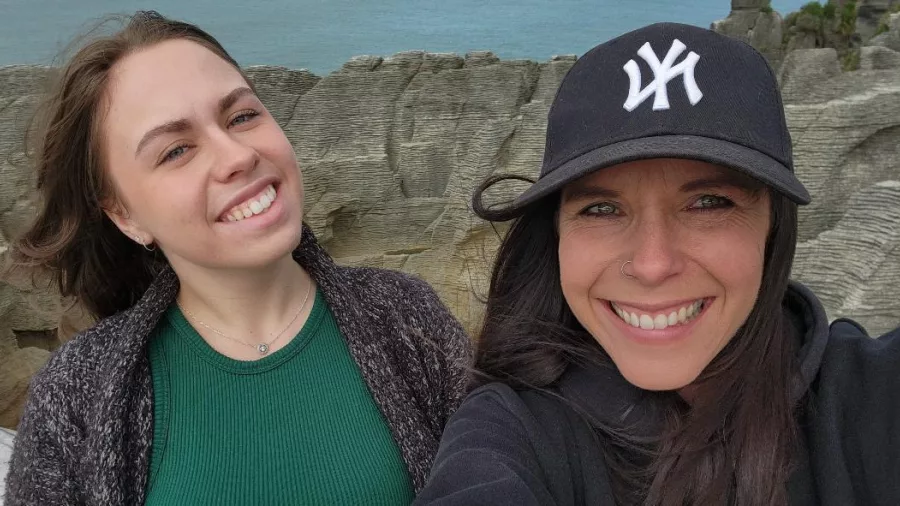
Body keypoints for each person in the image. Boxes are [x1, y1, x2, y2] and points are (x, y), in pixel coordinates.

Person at [415, 22, 900, 506]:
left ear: (773, 224)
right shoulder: (513, 431)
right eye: (601, 209)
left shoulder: (870, 399)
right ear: (556, 233)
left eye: (709, 203)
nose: (652, 265)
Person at [4, 11, 471, 506]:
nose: (236, 156)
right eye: (177, 150)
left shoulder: (408, 317)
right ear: (125, 215)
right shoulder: (76, 395)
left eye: (242, 116)